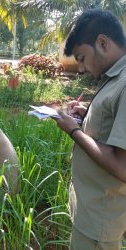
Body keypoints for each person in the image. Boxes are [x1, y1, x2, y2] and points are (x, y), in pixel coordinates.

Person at [54, 9, 126, 250]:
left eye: (82, 57)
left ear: (102, 43)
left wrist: (73, 131)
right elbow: (111, 125)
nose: (81, 68)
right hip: (91, 211)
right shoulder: (114, 77)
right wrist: (87, 115)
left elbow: (122, 166)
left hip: (99, 221)